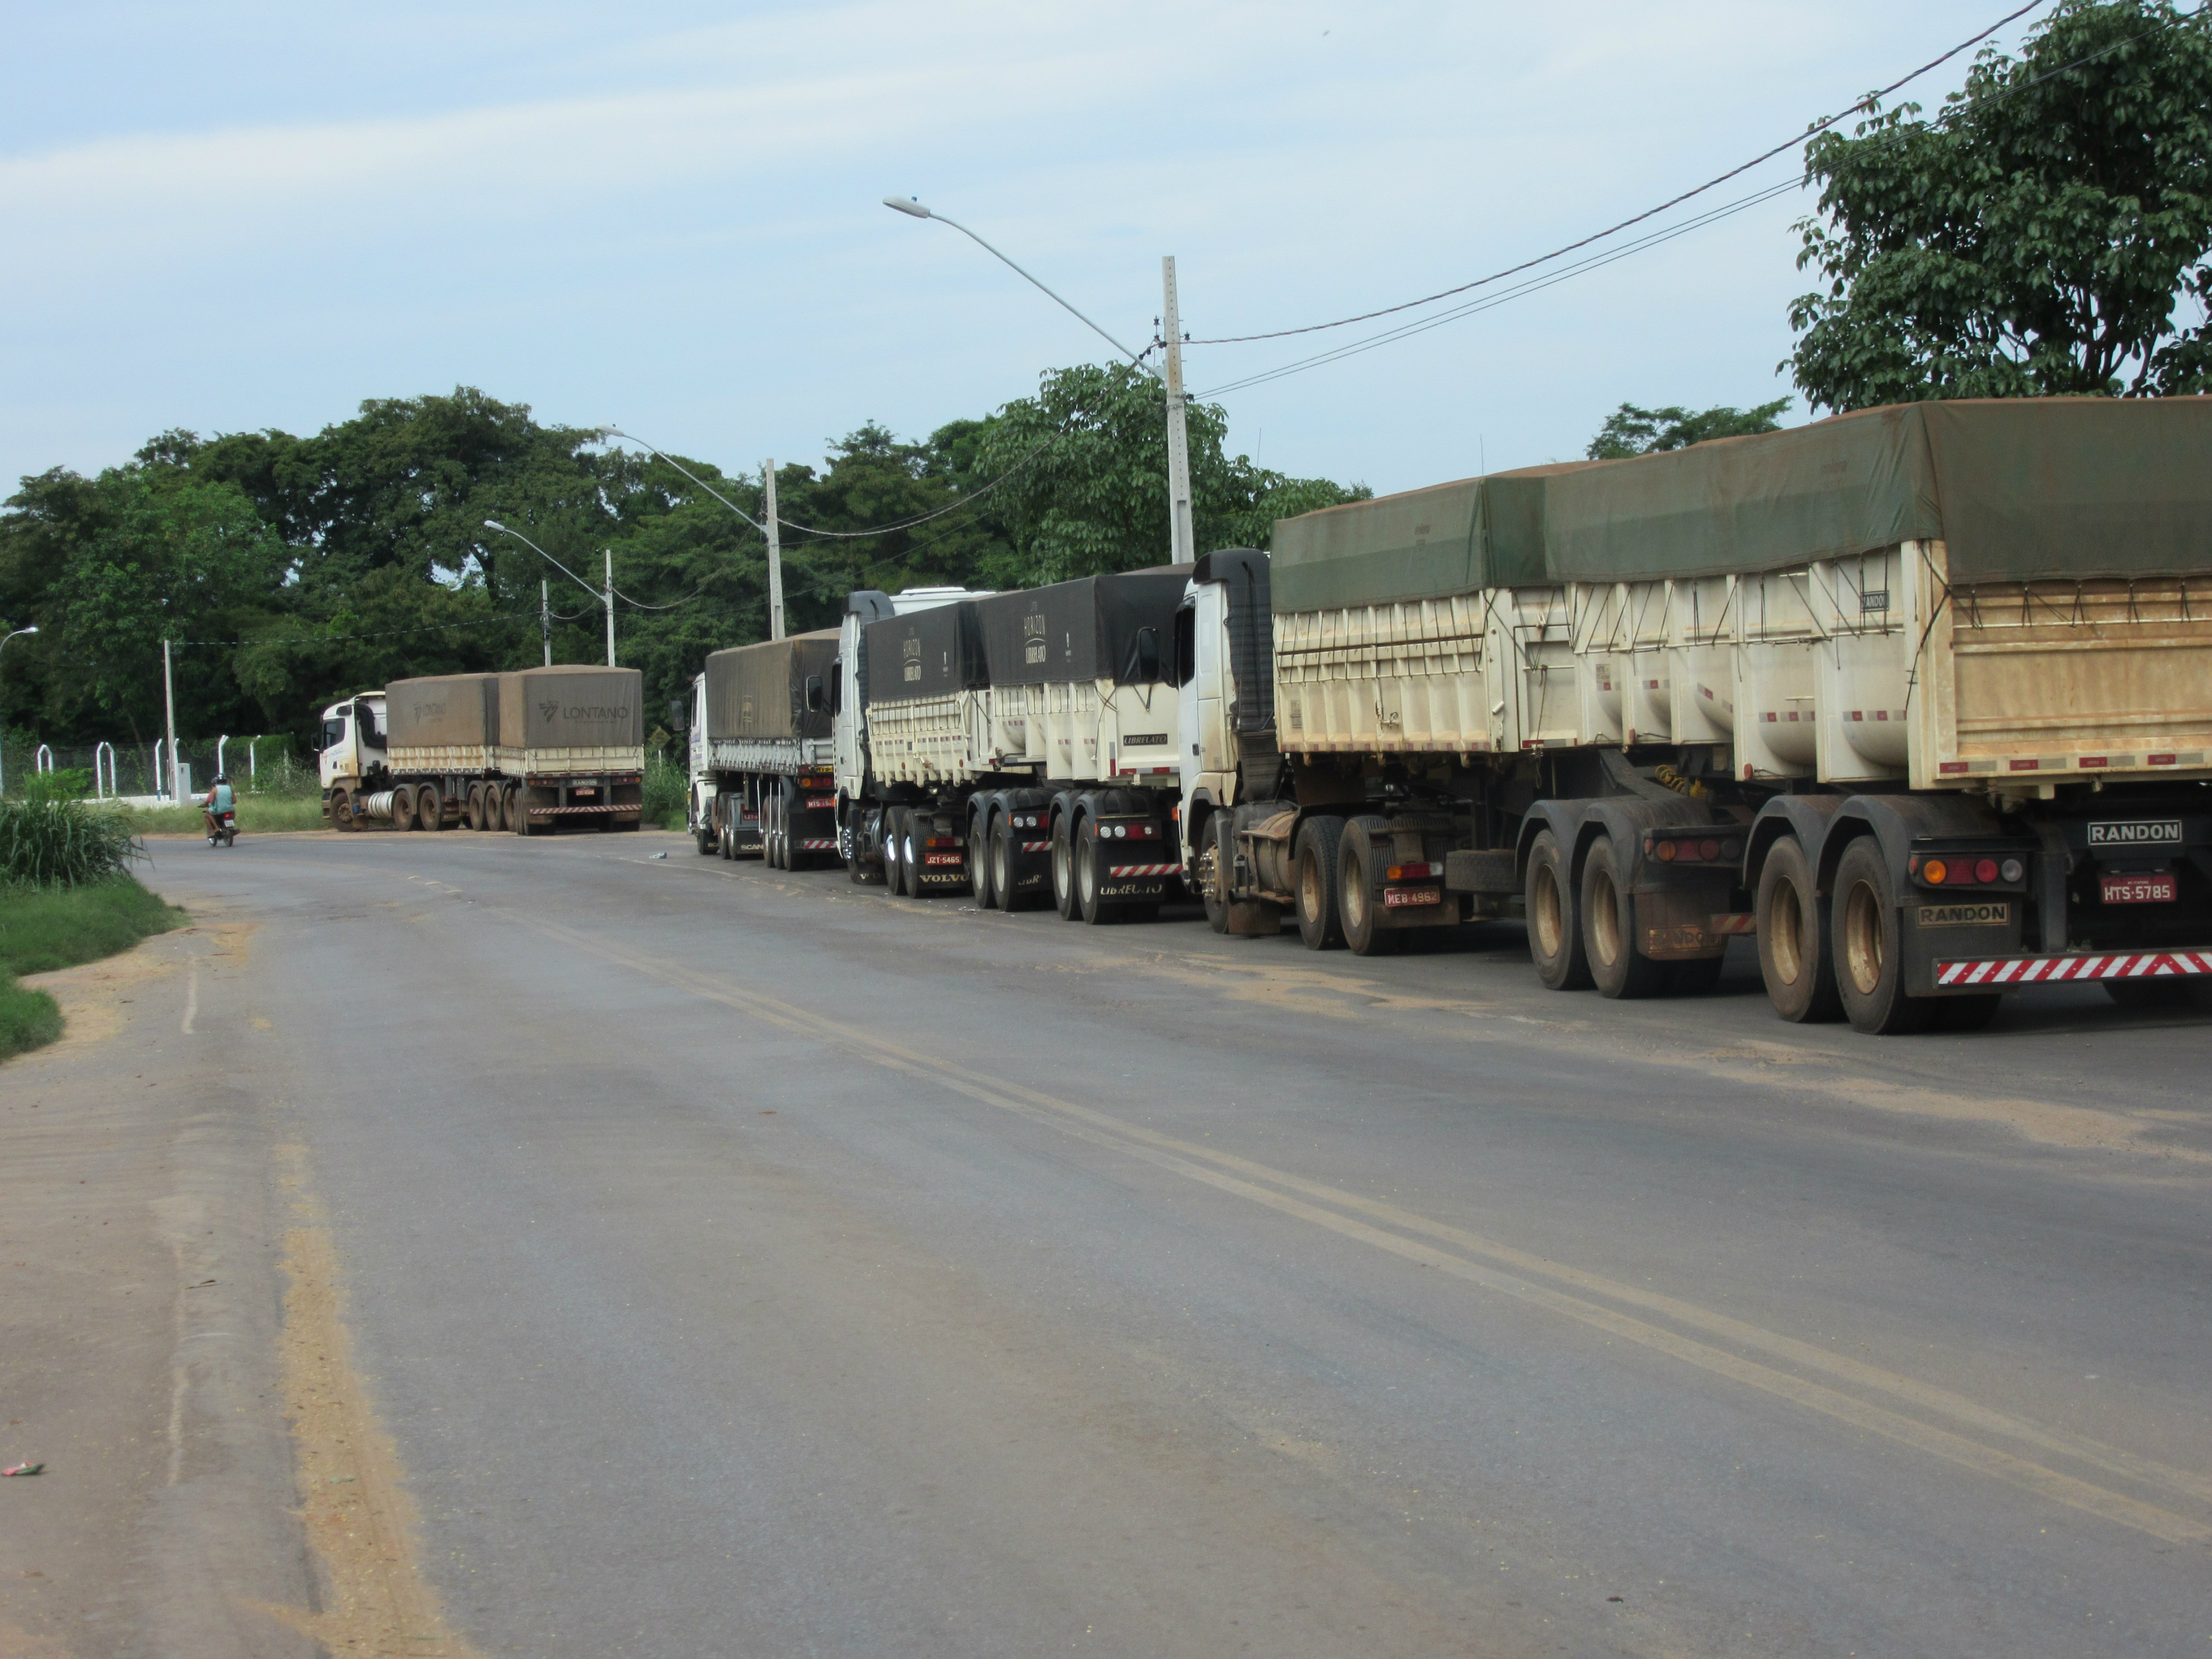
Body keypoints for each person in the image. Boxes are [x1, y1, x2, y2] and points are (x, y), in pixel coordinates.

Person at [203, 773, 236, 837]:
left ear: (217, 781)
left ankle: (216, 828)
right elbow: (234, 801)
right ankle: (231, 826)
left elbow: (212, 802)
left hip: (218, 811)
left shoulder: (215, 790)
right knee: (233, 811)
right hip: (229, 810)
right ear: (226, 781)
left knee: (207, 814)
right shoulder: (230, 788)